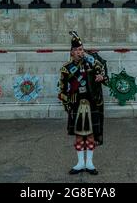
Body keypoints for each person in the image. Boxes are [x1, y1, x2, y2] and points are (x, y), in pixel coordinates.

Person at [58, 31, 108, 175]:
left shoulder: (92, 63)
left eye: (81, 49)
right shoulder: (66, 69)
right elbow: (62, 90)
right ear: (71, 52)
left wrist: (101, 77)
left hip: (92, 103)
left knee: (91, 133)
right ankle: (80, 163)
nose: (80, 52)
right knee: (79, 134)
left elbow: (104, 75)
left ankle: (90, 163)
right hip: (76, 105)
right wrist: (68, 105)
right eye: (77, 50)